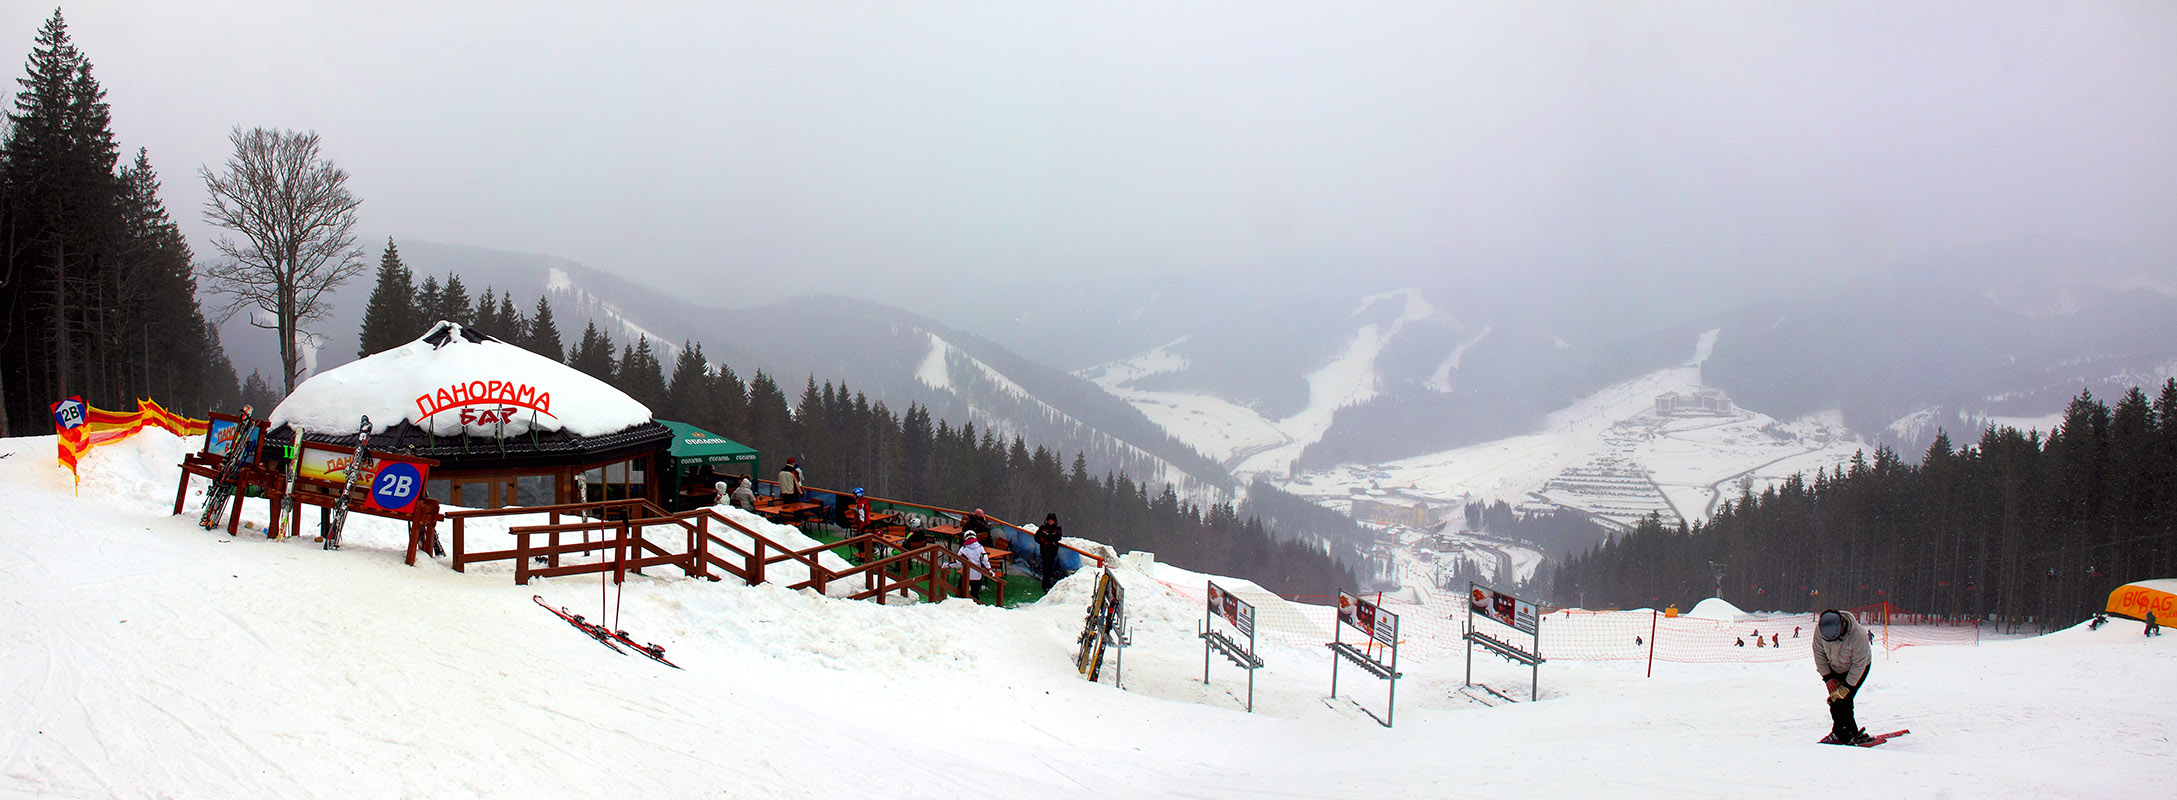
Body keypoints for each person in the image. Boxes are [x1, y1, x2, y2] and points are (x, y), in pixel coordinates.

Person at [1813, 609, 1875, 745]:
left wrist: (1847, 686)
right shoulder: (1821, 630)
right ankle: (1843, 732)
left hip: (1858, 667)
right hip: (1835, 667)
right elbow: (1819, 653)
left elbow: (1859, 664)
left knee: (1844, 700)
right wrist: (1828, 677)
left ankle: (1845, 734)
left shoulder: (1857, 635)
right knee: (1834, 701)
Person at [958, 530, 994, 603]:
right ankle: (976, 606)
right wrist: (989, 569)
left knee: (960, 591)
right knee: (975, 593)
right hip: (977, 574)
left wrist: (949, 565)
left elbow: (958, 561)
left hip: (966, 574)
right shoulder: (980, 547)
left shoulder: (963, 549)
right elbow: (985, 560)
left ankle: (960, 604)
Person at [1033, 513, 1065, 591]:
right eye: (1049, 520)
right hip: (1044, 550)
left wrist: (1050, 538)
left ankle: (1049, 584)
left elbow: (1058, 537)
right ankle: (1045, 584)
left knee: (1050, 568)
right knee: (1045, 568)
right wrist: (1043, 541)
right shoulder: (1042, 528)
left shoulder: (1057, 529)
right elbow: (1036, 537)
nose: (1050, 522)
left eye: (1052, 520)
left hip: (1053, 551)